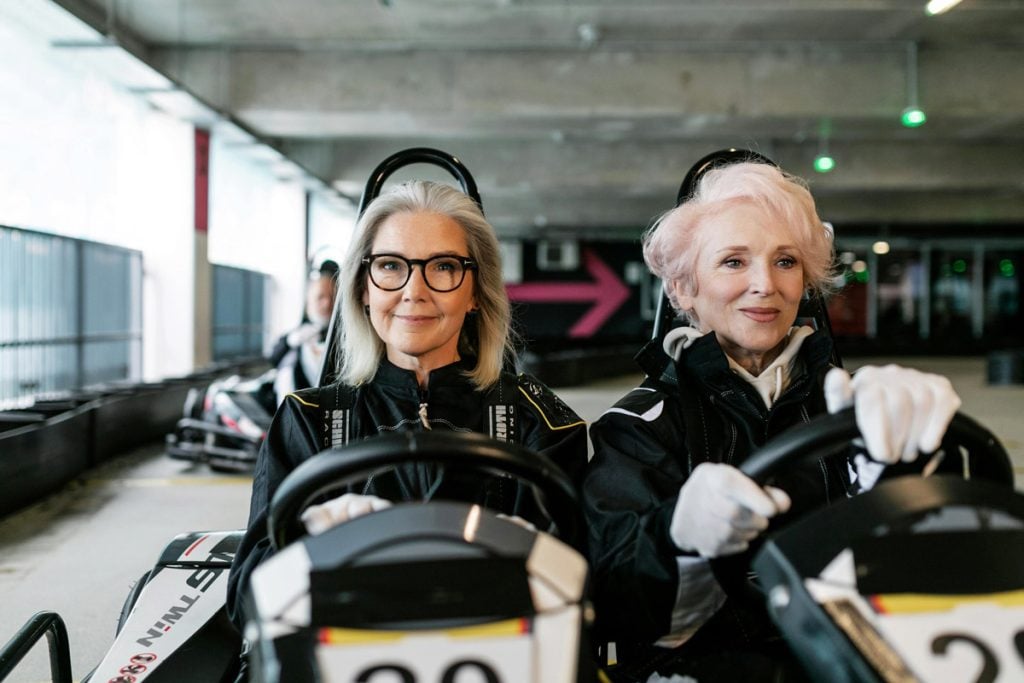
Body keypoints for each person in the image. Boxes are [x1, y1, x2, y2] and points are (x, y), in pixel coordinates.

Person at [582, 160, 961, 681]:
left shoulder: (857, 410)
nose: (765, 285)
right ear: (684, 289)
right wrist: (677, 541)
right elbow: (619, 612)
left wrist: (907, 470)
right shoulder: (636, 426)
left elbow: (925, 583)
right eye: (734, 262)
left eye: (785, 261)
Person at [227, 180, 588, 630]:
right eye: (392, 266)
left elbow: (584, 595)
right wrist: (312, 547)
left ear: (475, 291)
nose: (414, 291)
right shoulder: (309, 420)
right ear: (363, 288)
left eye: (442, 267)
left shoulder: (539, 423)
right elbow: (247, 599)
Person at [267, 259, 339, 405]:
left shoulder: (345, 337)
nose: (327, 304)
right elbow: (273, 357)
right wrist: (290, 342)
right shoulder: (299, 335)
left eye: (332, 298)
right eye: (320, 297)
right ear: (308, 302)